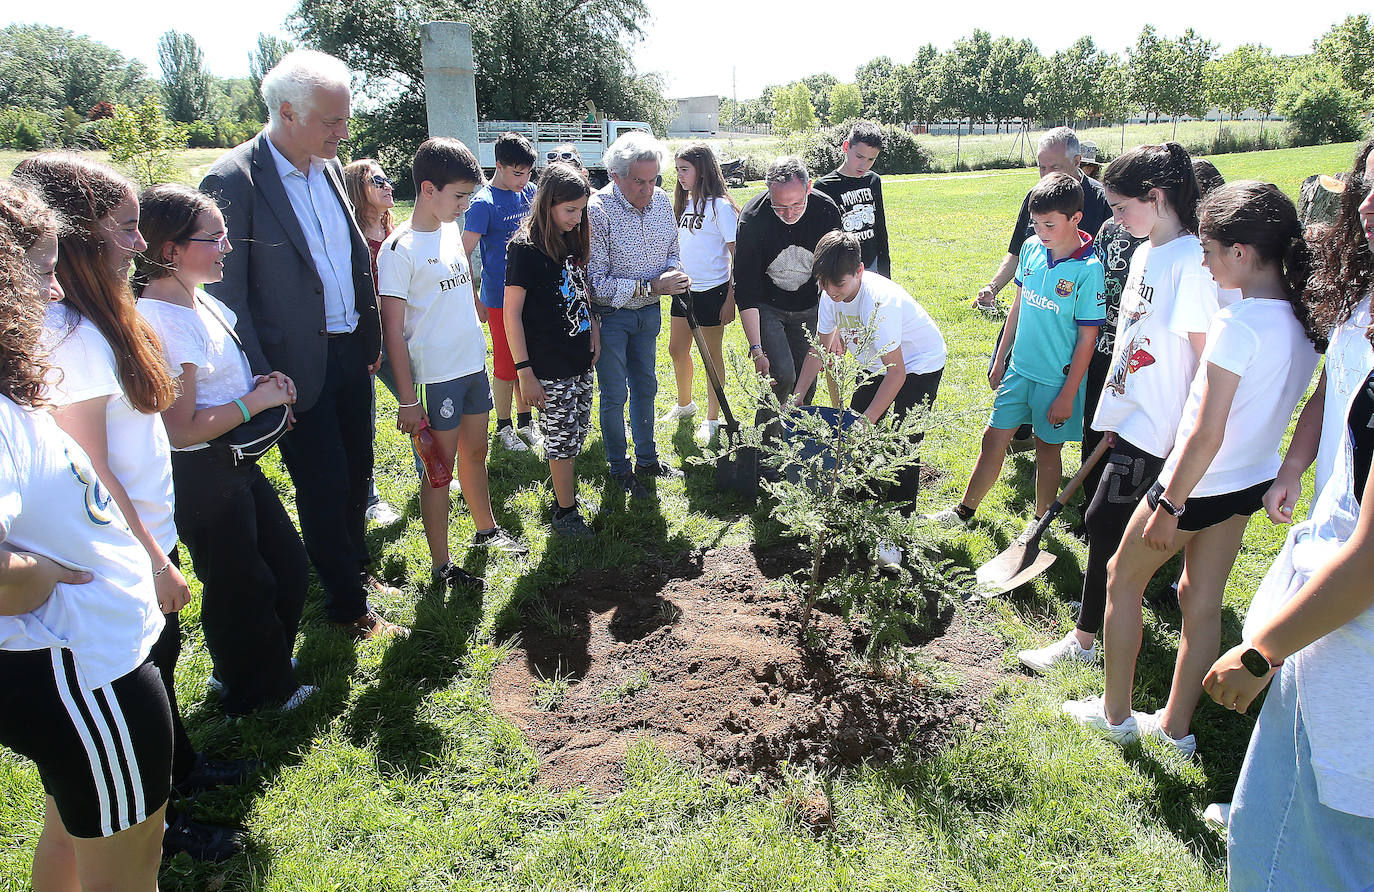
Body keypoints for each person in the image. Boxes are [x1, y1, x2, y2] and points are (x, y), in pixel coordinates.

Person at [13, 155, 248, 861]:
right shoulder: (73, 341)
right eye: (125, 229)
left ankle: (178, 772)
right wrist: (152, 560)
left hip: (140, 533)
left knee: (162, 667)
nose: (140, 244)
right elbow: (94, 468)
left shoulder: (95, 320)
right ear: (78, 236)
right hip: (118, 551)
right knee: (139, 684)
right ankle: (160, 824)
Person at [1064, 182, 1322, 756]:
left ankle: (1115, 718)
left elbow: (1206, 433)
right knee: (1199, 600)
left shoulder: (1239, 327)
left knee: (1119, 582)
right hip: (1249, 484)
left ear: (1240, 252)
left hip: (1193, 488)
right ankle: (1176, 728)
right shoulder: (1302, 322)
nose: (1202, 263)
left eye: (1208, 250)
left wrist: (1169, 503)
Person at [1205, 144, 1374, 890]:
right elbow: (1330, 395)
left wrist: (1259, 651)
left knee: (1327, 847)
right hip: (1324, 602)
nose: (1365, 203)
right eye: (1368, 184)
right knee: (1272, 813)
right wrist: (1298, 465)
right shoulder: (1364, 306)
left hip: (1351, 632)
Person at [199, 50, 406, 641]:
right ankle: (346, 607)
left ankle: (352, 574)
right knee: (324, 484)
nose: (344, 133)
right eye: (331, 121)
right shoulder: (233, 181)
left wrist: (368, 338)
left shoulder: (328, 169)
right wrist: (265, 380)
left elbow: (347, 261)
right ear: (287, 112)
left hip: (349, 356)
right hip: (293, 371)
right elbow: (226, 296)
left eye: (345, 119)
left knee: (359, 473)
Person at [0, 181, 170, 892]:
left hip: (76, 669)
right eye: (38, 268)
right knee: (127, 879)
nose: (53, 284)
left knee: (71, 837)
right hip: (81, 676)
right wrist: (32, 576)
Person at [1016, 144, 1219, 672]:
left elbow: (1203, 363)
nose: (1115, 216)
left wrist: (1185, 441)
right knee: (1105, 522)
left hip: (1161, 429)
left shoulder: (1191, 265)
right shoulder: (1148, 248)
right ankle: (1095, 633)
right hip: (1126, 415)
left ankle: (1085, 644)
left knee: (1105, 523)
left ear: (1156, 198)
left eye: (1121, 206)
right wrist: (1113, 410)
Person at [133, 183, 314, 724]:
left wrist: (256, 383)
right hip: (204, 474)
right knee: (242, 585)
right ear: (170, 251)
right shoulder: (164, 323)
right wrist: (254, 399)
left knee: (284, 566)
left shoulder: (194, 299)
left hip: (232, 468)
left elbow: (217, 382)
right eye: (213, 239)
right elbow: (182, 429)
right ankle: (254, 694)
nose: (227, 247)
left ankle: (248, 663)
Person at [377, 138, 527, 589]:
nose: (466, 205)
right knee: (438, 471)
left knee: (475, 454)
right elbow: (393, 334)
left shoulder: (448, 232)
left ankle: (486, 530)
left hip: (472, 368)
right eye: (459, 196)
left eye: (468, 196)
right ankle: (442, 564)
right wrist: (407, 400)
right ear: (427, 188)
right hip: (435, 379)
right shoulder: (398, 250)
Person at [926, 173, 1104, 528]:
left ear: (1076, 218)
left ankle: (1038, 524)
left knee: (1047, 453)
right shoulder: (1031, 249)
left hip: (1056, 382)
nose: (1041, 231)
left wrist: (1068, 396)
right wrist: (1000, 357)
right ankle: (964, 512)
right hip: (1018, 371)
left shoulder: (1089, 269)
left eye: (1050, 224)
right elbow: (1018, 307)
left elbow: (1088, 339)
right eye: (1036, 223)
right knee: (992, 438)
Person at [795, 230, 946, 543]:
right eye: (824, 283)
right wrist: (795, 399)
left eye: (840, 284)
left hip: (919, 362)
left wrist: (866, 422)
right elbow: (818, 351)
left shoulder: (879, 303)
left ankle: (897, 530)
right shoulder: (829, 296)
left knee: (902, 440)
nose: (832, 292)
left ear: (860, 271)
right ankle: (858, 504)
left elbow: (898, 374)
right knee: (852, 428)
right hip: (880, 364)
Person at [587, 130, 687, 499]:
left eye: (653, 179)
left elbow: (672, 249)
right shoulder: (597, 210)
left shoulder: (661, 202)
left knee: (646, 385)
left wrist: (673, 274)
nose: (647, 189)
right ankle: (619, 468)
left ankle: (647, 459)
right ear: (616, 176)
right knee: (614, 394)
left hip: (649, 314)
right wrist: (651, 286)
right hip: (611, 316)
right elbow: (595, 282)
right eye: (638, 181)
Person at [504, 163, 601, 538]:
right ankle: (565, 513)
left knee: (575, 431)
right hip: (547, 364)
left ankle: (566, 494)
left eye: (581, 210)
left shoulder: (572, 238)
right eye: (570, 210)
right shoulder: (524, 249)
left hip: (578, 356)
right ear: (547, 205)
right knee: (559, 438)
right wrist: (524, 371)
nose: (577, 219)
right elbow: (511, 315)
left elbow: (580, 286)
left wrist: (593, 327)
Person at [735, 155, 843, 403]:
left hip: (811, 304)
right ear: (768, 192)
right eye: (780, 206)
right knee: (781, 375)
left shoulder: (826, 211)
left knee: (807, 379)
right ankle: (767, 439)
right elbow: (746, 289)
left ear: (809, 187)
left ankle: (797, 436)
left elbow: (835, 273)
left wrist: (834, 325)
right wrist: (756, 349)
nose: (789, 213)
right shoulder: (753, 218)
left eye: (796, 204)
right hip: (768, 306)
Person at [972, 128, 1112, 311]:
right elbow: (1017, 252)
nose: (1046, 175)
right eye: (1042, 167)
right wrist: (993, 287)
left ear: (1077, 161)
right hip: (1033, 308)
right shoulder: (1036, 195)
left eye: (1054, 167)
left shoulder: (1104, 201)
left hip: (1075, 318)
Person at [463, 131, 539, 453]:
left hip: (531, 294)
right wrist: (474, 296)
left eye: (527, 173)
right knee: (506, 365)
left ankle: (526, 421)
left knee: (526, 358)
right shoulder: (483, 203)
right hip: (498, 298)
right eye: (517, 173)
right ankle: (504, 426)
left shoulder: (530, 192)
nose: (524, 180)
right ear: (499, 166)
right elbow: (462, 252)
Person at [343, 157, 409, 521]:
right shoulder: (348, 237)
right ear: (357, 189)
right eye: (377, 180)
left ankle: (431, 473)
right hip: (363, 340)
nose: (388, 185)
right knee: (363, 421)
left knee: (417, 404)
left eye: (387, 179)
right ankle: (369, 498)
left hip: (398, 335)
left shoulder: (395, 233)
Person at [663, 142, 739, 442]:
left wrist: (731, 299)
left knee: (710, 355)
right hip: (683, 290)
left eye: (685, 170)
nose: (680, 176)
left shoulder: (720, 206)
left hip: (714, 292)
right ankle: (685, 404)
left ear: (702, 169)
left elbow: (738, 256)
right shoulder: (683, 203)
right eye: (678, 170)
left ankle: (712, 417)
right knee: (676, 349)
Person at [813, 121, 891, 277]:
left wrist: (885, 272)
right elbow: (821, 239)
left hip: (871, 265)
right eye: (859, 156)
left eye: (871, 159)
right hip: (841, 269)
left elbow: (880, 229)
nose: (864, 164)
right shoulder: (824, 187)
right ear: (846, 146)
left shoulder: (873, 181)